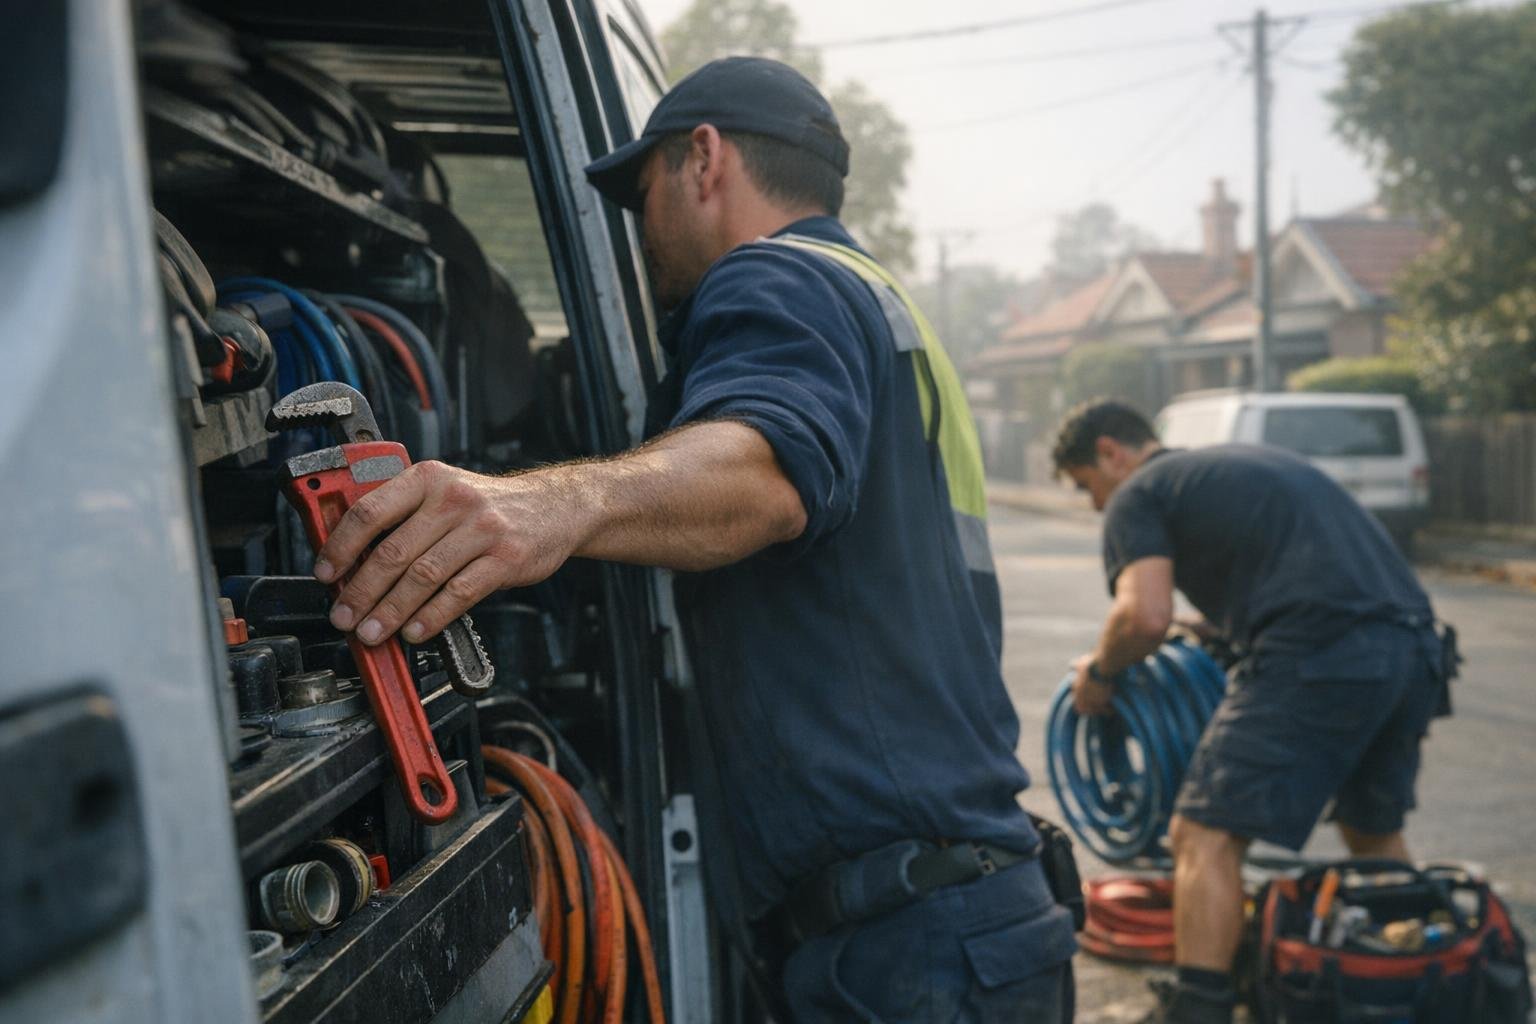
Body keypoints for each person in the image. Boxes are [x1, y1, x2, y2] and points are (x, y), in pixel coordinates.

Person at [309, 57, 1076, 1021]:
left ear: (702, 160)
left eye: (641, 196)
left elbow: (768, 471)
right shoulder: (876, 300)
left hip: (906, 956)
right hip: (967, 922)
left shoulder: (777, 275)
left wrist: (550, 506)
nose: (640, 235)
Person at [1052, 399, 1450, 1024]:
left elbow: (1143, 617)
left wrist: (1100, 672)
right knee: (1372, 828)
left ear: (1110, 452)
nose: (1097, 505)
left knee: (1203, 832)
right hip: (1413, 651)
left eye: (1087, 487)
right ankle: (1428, 975)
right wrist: (1219, 627)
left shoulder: (1140, 493)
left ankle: (1201, 1007)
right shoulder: (1233, 467)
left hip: (1321, 653)